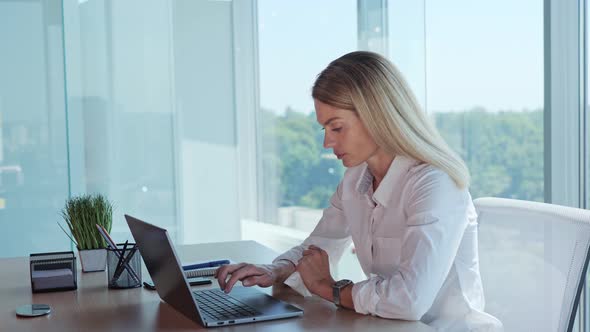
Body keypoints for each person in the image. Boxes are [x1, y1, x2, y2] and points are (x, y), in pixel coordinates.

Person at [216, 51, 502, 331]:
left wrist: (331, 290)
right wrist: (275, 269)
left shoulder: (435, 184)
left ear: (377, 116)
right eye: (324, 129)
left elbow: (409, 301)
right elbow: (318, 246)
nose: (327, 142)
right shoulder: (356, 179)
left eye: (337, 128)